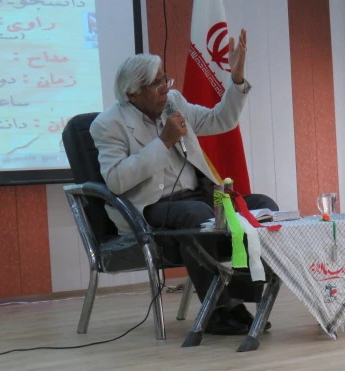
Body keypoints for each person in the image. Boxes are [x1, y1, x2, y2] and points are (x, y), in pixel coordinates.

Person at [90, 29, 278, 335]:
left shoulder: (173, 102)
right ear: (132, 94)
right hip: (154, 205)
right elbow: (116, 181)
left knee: (262, 206)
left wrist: (236, 79)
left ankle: (247, 297)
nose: (165, 89)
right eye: (156, 84)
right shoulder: (108, 125)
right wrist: (163, 142)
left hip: (200, 196)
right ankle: (217, 311)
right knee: (196, 216)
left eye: (165, 79)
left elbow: (221, 120)